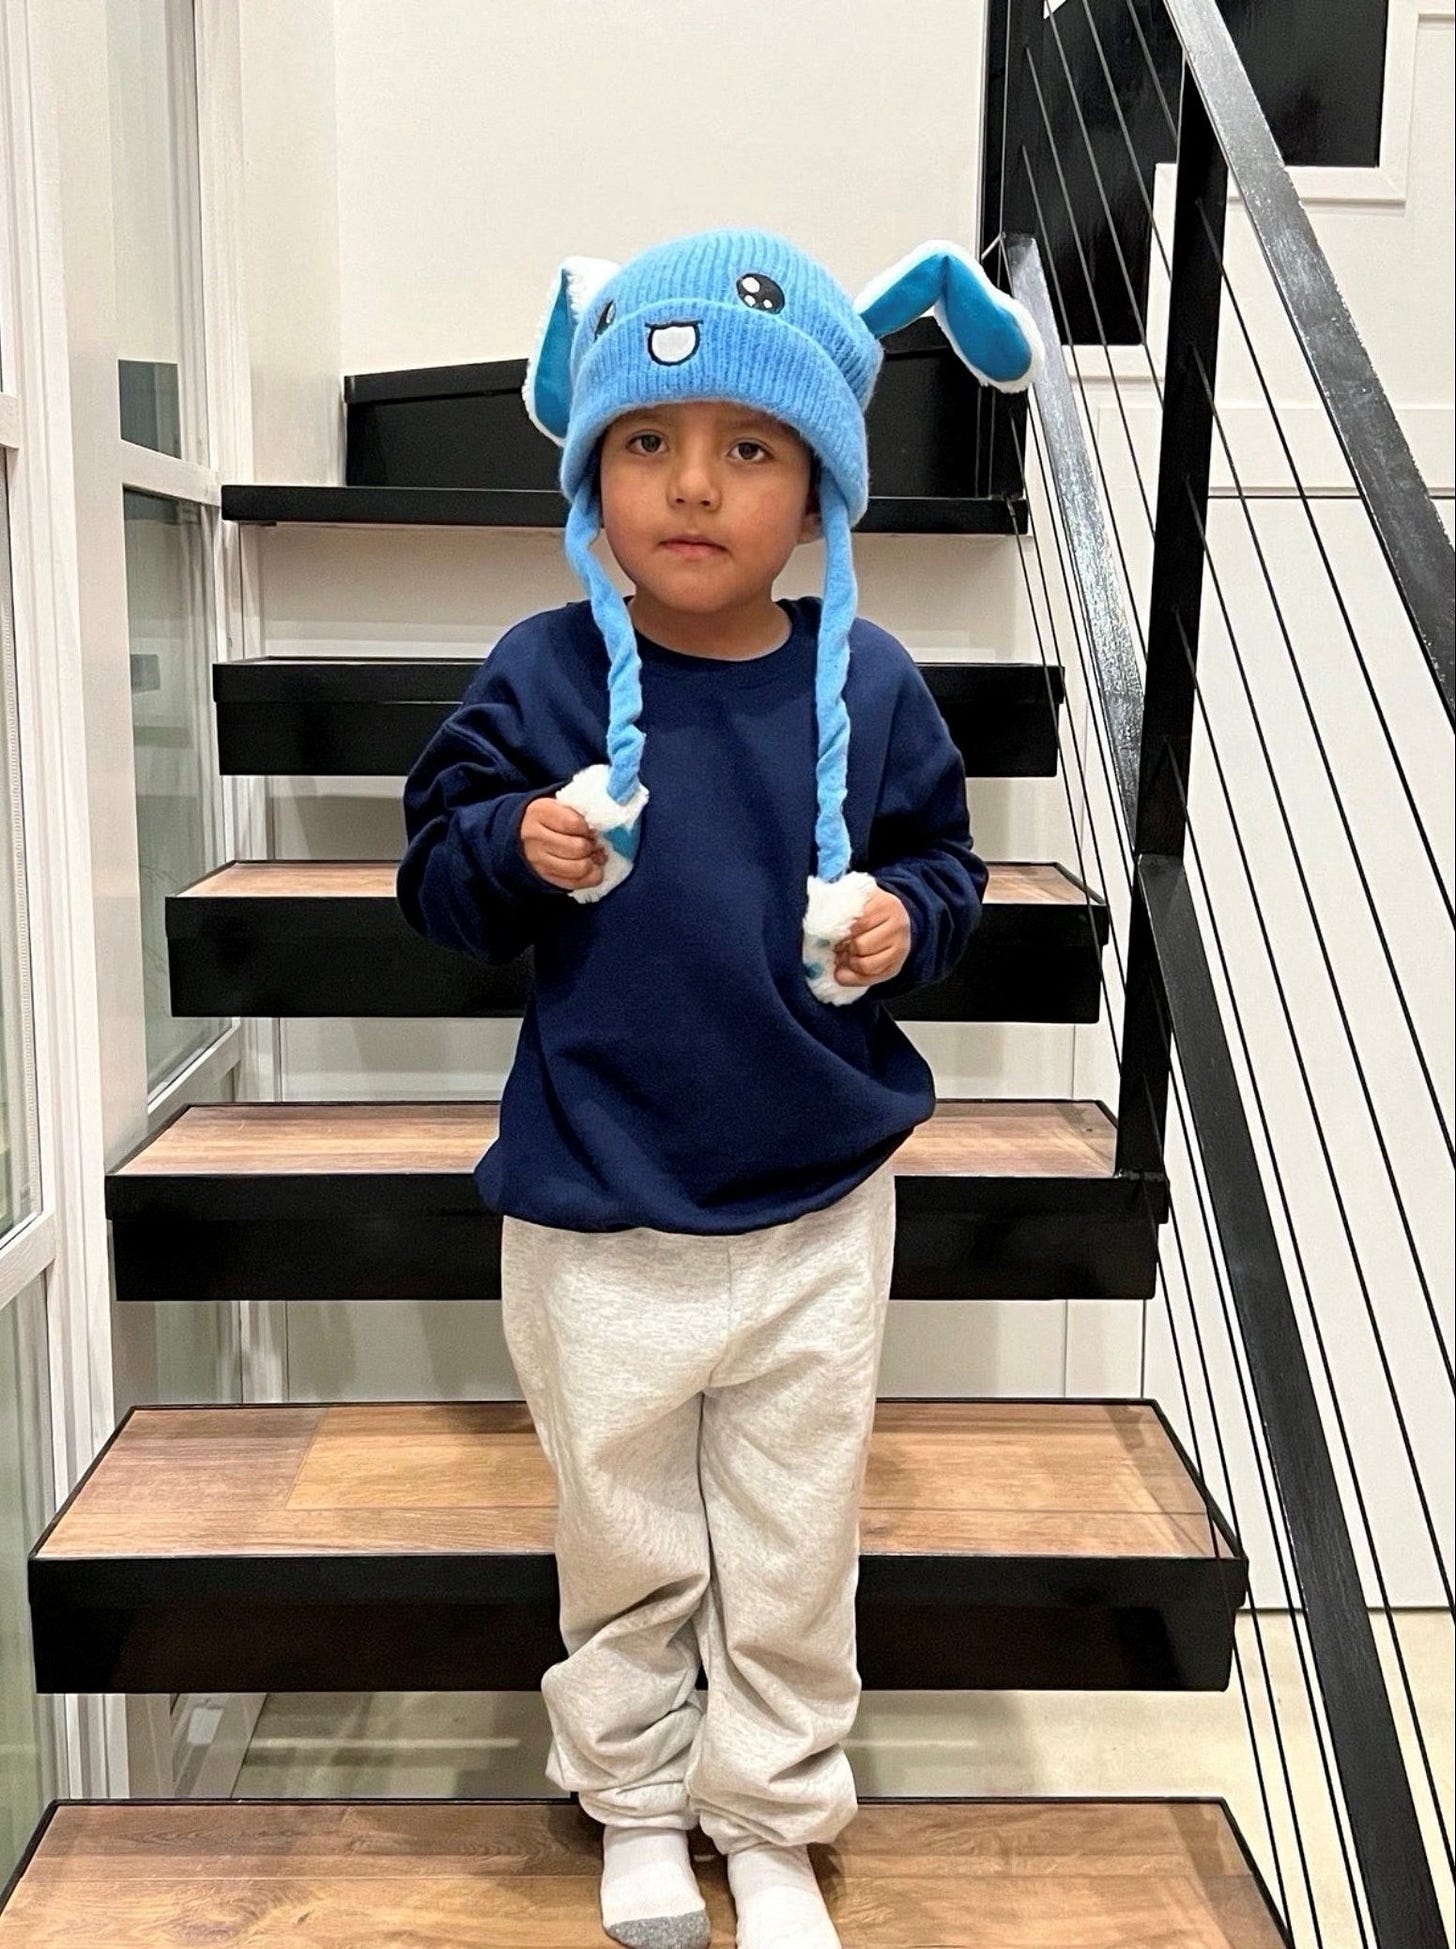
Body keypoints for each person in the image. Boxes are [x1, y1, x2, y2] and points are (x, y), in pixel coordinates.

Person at [397, 226, 1041, 1949]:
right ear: (591, 475)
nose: (693, 484)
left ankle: (768, 1817)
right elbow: (437, 879)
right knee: (621, 1532)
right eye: (647, 441)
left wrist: (905, 922)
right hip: (599, 1203)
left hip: (818, 1205)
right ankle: (631, 1798)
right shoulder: (542, 671)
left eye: (750, 445)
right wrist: (515, 843)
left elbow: (945, 867)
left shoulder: (872, 682)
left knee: (792, 1535)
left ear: (819, 483)